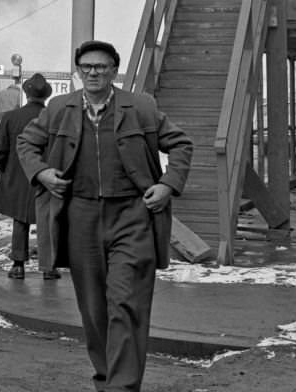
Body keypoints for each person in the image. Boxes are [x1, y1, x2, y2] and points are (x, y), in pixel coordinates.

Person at [18, 40, 193, 392]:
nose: (93, 73)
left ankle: (122, 388)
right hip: (80, 216)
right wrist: (41, 173)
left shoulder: (141, 107)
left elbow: (181, 144)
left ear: (114, 70)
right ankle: (106, 379)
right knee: (95, 310)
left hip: (132, 214)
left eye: (100, 67)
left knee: (127, 303)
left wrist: (167, 185)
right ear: (78, 71)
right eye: (86, 67)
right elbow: (26, 142)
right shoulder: (58, 108)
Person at [0, 73, 58, 279]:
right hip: (45, 175)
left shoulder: (11, 117)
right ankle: (49, 267)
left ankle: (18, 265)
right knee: (48, 221)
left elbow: (0, 149)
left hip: (18, 175)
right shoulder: (54, 117)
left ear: (27, 94)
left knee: (20, 220)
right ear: (46, 95)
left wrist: (6, 170)